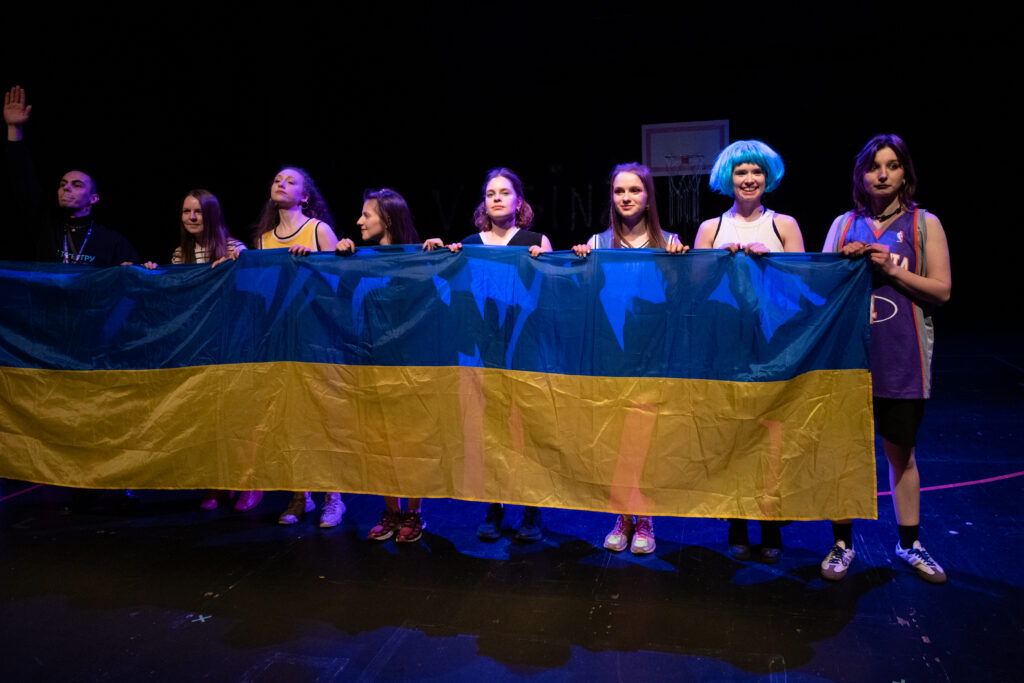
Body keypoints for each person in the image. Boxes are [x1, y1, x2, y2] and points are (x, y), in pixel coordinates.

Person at [819, 134, 951, 584]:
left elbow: (942, 291)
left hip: (901, 358)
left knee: (902, 455)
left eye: (892, 166)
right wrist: (841, 264)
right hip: (847, 361)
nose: (882, 174)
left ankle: (909, 543)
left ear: (905, 174)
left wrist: (892, 269)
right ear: (861, 175)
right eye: (874, 167)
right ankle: (842, 544)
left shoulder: (924, 224)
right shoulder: (842, 225)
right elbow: (819, 290)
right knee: (843, 455)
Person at [423, 168, 552, 541]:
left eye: (505, 192)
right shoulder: (469, 244)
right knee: (491, 431)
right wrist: (436, 255)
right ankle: (494, 506)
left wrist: (545, 262)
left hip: (524, 348)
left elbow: (551, 294)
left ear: (518, 201)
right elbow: (449, 292)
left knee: (526, 429)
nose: (497, 198)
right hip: (484, 351)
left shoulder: (534, 240)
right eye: (490, 193)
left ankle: (531, 509)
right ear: (484, 202)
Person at [695, 140, 804, 563]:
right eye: (741, 171)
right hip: (725, 345)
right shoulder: (711, 228)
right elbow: (694, 288)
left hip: (773, 346)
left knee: (772, 433)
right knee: (734, 433)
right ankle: (737, 520)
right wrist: (717, 261)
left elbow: (803, 284)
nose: (749, 179)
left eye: (756, 171)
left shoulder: (784, 225)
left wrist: (771, 262)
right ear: (728, 177)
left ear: (768, 177)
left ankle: (770, 522)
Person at [572, 162, 689, 554]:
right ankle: (623, 516)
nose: (626, 197)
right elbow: (580, 296)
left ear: (648, 197)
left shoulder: (669, 241)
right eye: (619, 191)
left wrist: (681, 262)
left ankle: (646, 519)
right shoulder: (598, 243)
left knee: (646, 440)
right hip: (612, 357)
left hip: (653, 358)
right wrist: (579, 260)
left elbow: (683, 299)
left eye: (635, 190)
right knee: (617, 440)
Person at [144, 189, 261, 511]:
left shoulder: (234, 248)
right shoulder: (179, 254)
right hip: (199, 345)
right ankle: (218, 483)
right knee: (209, 418)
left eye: (198, 211)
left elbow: (252, 294)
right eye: (186, 211)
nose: (192, 217)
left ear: (212, 215)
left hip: (233, 343)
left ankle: (249, 483)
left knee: (238, 417)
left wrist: (233, 269)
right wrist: (153, 275)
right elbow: (178, 298)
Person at [336, 188, 427, 543]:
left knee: (411, 442)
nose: (359, 221)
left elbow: (432, 304)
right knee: (380, 441)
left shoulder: (417, 258)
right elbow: (340, 300)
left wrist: (438, 254)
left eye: (367, 215)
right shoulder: (362, 258)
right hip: (373, 364)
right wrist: (343, 261)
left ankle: (414, 513)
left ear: (387, 219)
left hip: (411, 366)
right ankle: (392, 511)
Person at [255, 166, 343, 527]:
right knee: (290, 418)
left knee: (324, 417)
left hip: (319, 338)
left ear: (305, 196)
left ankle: (333, 497)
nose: (281, 183)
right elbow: (263, 291)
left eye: (291, 181)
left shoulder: (318, 230)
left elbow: (341, 283)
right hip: (282, 340)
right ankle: (298, 495)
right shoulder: (263, 240)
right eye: (278, 179)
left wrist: (314, 264)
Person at [3, 86, 138, 266]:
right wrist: (14, 129)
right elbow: (23, 181)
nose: (66, 187)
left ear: (93, 198)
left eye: (77, 184)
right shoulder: (46, 228)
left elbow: (134, 274)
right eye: (63, 184)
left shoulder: (112, 241)